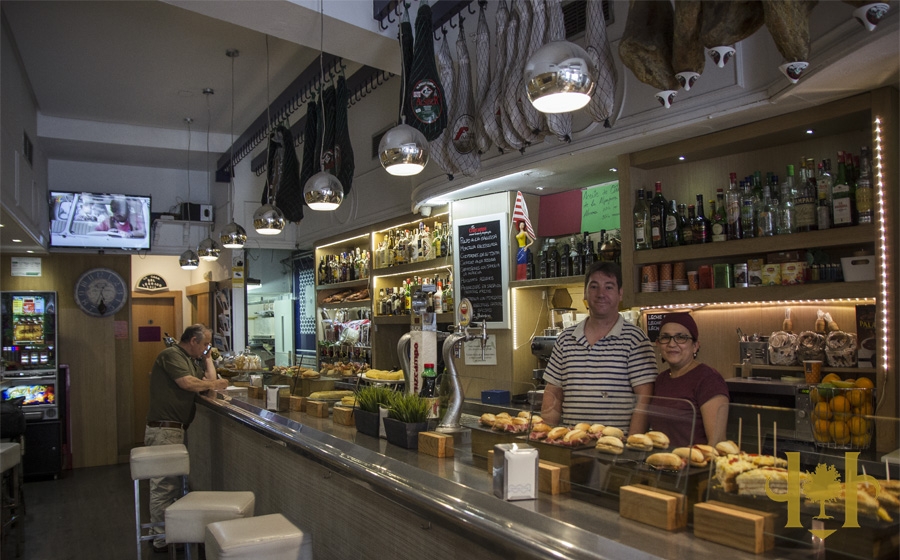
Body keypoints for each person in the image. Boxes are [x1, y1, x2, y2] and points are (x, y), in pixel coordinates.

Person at [541, 261, 657, 434]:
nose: (601, 294)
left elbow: (644, 401)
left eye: (609, 287)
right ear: (585, 293)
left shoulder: (635, 339)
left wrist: (632, 447)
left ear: (620, 294)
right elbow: (554, 394)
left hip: (615, 448)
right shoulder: (565, 339)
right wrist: (545, 435)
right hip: (572, 443)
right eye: (594, 287)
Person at [144, 324, 228, 553]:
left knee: (171, 484)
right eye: (204, 344)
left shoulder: (190, 359)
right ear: (192, 341)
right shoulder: (171, 355)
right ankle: (161, 538)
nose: (206, 348)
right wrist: (214, 384)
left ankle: (168, 533)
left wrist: (208, 359)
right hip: (164, 429)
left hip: (174, 428)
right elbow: (188, 383)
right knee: (164, 484)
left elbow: (208, 384)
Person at [651, 313, 729, 447]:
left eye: (681, 337)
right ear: (658, 344)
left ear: (695, 345)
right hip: (663, 463)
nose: (671, 344)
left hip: (695, 465)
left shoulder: (708, 379)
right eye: (665, 337)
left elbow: (717, 442)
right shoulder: (661, 379)